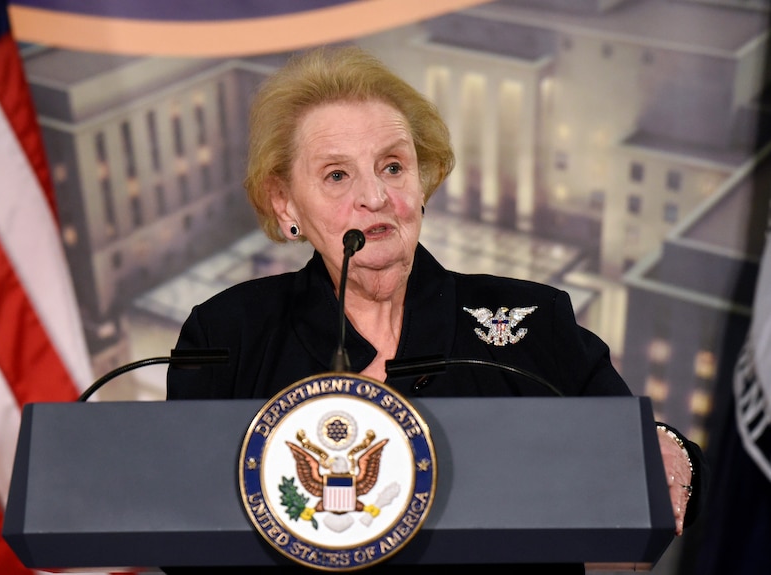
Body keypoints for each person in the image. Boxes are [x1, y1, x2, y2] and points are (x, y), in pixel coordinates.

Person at [166, 45, 705, 573]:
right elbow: (177, 519)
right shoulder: (229, 334)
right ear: (286, 203)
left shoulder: (531, 320)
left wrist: (669, 450)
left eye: (393, 166)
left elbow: (648, 463)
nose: (374, 196)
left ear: (422, 181)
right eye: (337, 175)